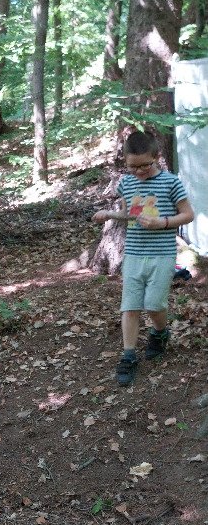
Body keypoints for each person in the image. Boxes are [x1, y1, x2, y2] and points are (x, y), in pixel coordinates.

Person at [92, 130, 194, 387]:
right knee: (130, 305)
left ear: (157, 157)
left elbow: (188, 215)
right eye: (132, 166)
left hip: (162, 253)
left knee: (154, 305)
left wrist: (163, 222)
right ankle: (128, 355)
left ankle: (159, 332)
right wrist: (109, 214)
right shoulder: (127, 184)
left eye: (144, 165)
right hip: (134, 252)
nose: (138, 171)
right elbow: (129, 214)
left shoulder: (171, 182)